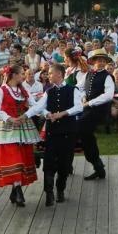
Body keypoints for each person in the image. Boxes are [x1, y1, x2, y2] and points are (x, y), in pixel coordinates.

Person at [24, 63, 82, 205]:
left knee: (64, 163)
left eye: (50, 73)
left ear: (59, 74)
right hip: (52, 132)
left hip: (68, 132)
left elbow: (79, 107)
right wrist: (41, 114)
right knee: (49, 162)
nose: (48, 76)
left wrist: (62, 113)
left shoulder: (73, 90)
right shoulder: (49, 91)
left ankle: (60, 190)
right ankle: (49, 193)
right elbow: (39, 107)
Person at [0, 65, 41, 207]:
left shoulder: (23, 90)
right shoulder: (0, 90)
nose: (24, 76)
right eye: (22, 73)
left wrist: (44, 113)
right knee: (14, 158)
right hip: (7, 128)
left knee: (23, 158)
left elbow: (35, 105)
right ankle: (18, 191)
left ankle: (15, 191)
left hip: (23, 126)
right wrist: (9, 118)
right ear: (13, 75)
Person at [79, 48, 115, 180]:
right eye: (98, 60)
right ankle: (98, 167)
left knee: (80, 130)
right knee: (87, 137)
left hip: (99, 110)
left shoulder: (107, 76)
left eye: (103, 61)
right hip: (87, 109)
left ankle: (96, 166)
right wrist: (83, 97)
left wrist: (91, 102)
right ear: (93, 61)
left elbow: (109, 95)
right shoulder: (88, 74)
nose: (101, 63)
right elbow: (80, 87)